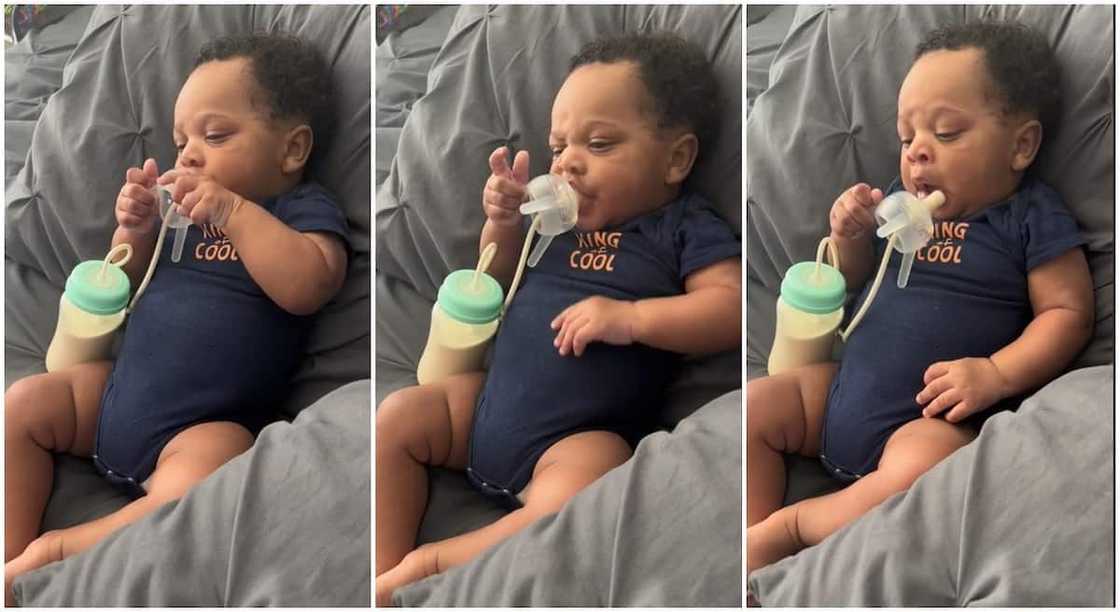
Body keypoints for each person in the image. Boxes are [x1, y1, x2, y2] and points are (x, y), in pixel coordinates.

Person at [376, 32, 742, 604]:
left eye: (598, 145)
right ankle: (380, 565)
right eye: (558, 147)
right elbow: (491, 284)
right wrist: (501, 224)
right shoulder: (550, 227)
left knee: (594, 481)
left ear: (676, 159)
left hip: (575, 440)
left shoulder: (682, 227)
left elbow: (729, 307)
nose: (568, 162)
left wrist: (631, 318)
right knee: (397, 417)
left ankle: (435, 565)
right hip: (482, 409)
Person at [4, 32, 350, 601]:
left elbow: (309, 283)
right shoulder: (179, 218)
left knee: (214, 471)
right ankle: (10, 548)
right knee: (22, 405)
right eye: (181, 140)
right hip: (114, 396)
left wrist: (233, 210)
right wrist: (135, 231)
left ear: (292, 151)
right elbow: (129, 277)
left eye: (214, 136)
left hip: (198, 429)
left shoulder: (297, 210)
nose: (188, 154)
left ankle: (61, 552)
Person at [746, 20, 1094, 572]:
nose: (917, 155)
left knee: (922, 469)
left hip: (925, 418)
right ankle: (747, 535)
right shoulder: (898, 208)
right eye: (907, 139)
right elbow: (859, 279)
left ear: (1021, 146)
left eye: (947, 134)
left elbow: (1068, 313)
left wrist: (996, 374)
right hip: (840, 391)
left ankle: (790, 529)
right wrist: (849, 236)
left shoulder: (1028, 216)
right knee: (755, 407)